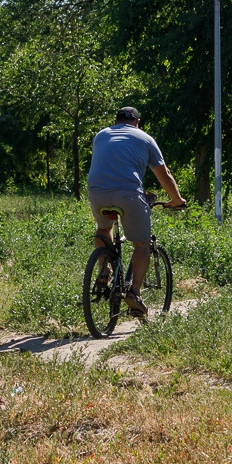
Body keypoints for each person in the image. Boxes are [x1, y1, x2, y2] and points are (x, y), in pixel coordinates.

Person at [87, 106, 186, 317]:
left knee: (104, 229)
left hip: (97, 192)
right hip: (129, 194)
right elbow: (164, 174)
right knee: (142, 244)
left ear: (116, 121)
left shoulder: (101, 135)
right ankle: (134, 293)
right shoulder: (145, 138)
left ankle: (105, 268)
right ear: (137, 122)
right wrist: (177, 200)